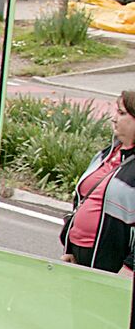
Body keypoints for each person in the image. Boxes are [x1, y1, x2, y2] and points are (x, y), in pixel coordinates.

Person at [65, 89, 135, 272]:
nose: (114, 118)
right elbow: (82, 198)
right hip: (80, 253)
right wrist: (69, 246)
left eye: (121, 113)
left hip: (113, 262)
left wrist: (130, 267)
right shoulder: (105, 154)